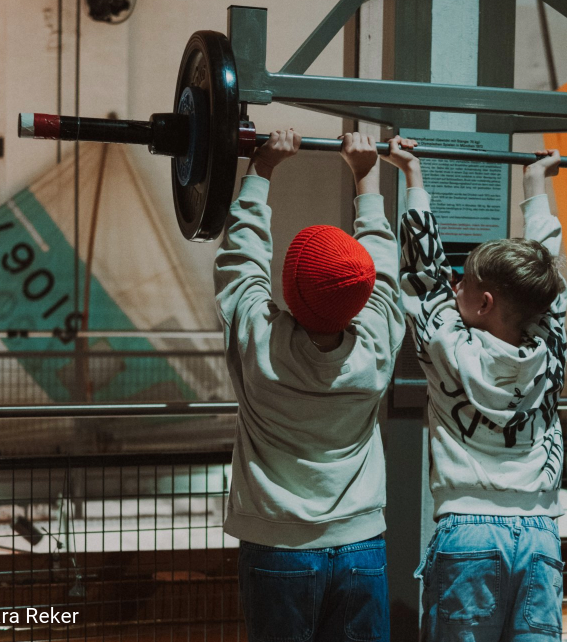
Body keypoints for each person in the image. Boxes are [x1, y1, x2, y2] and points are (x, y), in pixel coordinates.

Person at [213, 129, 405, 642]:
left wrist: (261, 171)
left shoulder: (259, 345)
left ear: (289, 287)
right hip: (362, 543)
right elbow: (383, 270)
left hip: (276, 550)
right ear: (361, 298)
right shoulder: (378, 344)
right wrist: (367, 175)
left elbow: (239, 264)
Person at [384, 139, 567, 641]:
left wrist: (413, 175)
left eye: (461, 281)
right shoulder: (551, 346)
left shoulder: (449, 349)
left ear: (483, 303)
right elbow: (549, 279)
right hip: (541, 537)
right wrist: (535, 187)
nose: (451, 281)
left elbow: (422, 276)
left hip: (468, 533)